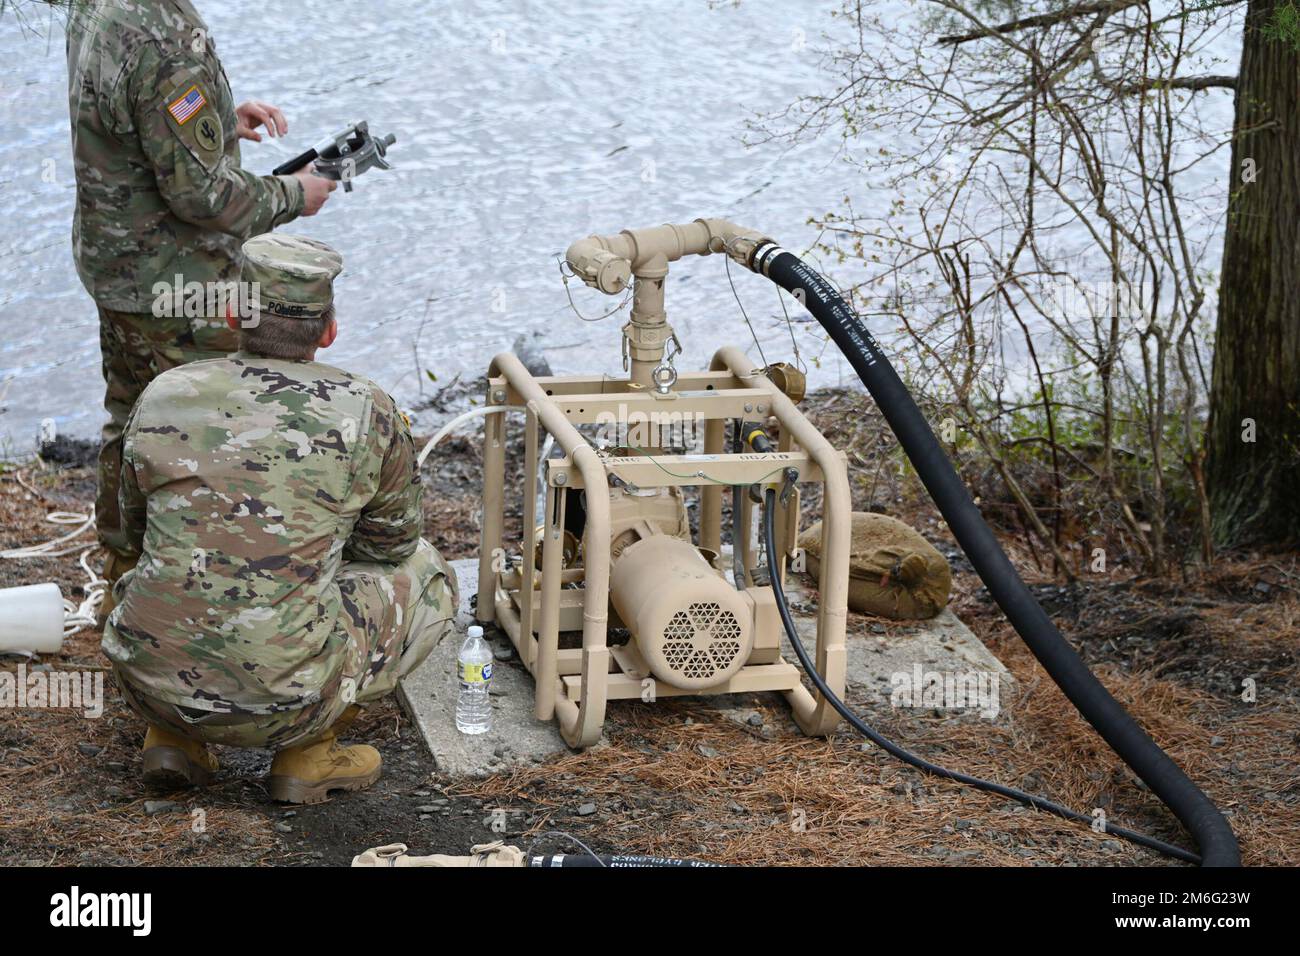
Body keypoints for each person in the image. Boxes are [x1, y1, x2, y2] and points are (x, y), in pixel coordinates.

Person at [102, 234, 455, 804]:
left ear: (233, 313)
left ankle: (173, 735)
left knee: (166, 567)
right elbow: (392, 543)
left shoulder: (166, 393)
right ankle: (310, 753)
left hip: (148, 682)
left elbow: (132, 530)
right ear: (328, 330)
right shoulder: (366, 408)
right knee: (428, 574)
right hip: (288, 702)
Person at [66, 0, 336, 605]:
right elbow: (203, 197)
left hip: (115, 266)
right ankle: (202, 604)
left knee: (130, 419)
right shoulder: (168, 41)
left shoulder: (97, 8)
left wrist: (212, 118)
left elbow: (129, 116)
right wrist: (296, 194)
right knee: (210, 436)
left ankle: (124, 577)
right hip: (180, 286)